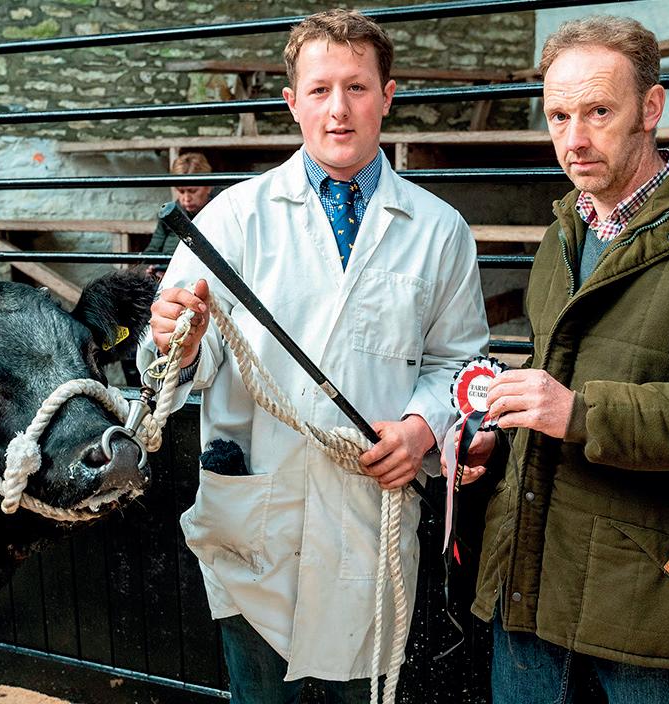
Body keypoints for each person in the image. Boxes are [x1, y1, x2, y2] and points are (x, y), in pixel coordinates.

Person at [137, 9, 488, 702]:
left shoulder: (440, 230)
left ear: (387, 97)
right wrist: (181, 337)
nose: (338, 109)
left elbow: (457, 364)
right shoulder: (233, 217)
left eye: (357, 87)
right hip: (255, 522)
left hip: (367, 517)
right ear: (291, 101)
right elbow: (170, 365)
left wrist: (420, 430)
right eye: (320, 89)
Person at [457, 15, 669, 703]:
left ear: (651, 108)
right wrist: (499, 442)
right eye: (559, 116)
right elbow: (556, 401)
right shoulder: (563, 231)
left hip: (651, 601)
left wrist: (582, 414)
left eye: (598, 112)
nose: (574, 139)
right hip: (529, 590)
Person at [145, 151, 215, 280]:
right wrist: (152, 267)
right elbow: (152, 250)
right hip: (166, 274)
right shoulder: (170, 213)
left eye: (193, 191)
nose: (186, 198)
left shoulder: (219, 211)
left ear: (208, 187)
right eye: (181, 191)